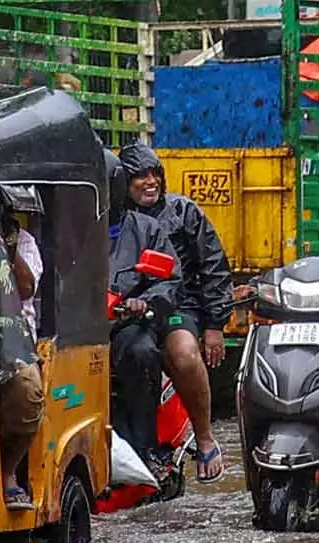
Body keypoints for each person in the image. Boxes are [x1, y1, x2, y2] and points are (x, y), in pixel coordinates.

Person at [117, 144, 231, 483]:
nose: (149, 183)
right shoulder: (113, 219)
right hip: (124, 313)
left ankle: (206, 439)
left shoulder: (184, 211)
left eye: (155, 175)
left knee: (183, 354)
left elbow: (214, 267)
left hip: (178, 308)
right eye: (140, 176)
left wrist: (214, 325)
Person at [105, 150, 182, 474]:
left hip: (128, 324)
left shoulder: (147, 229)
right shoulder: (71, 229)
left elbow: (169, 279)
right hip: (80, 327)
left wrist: (143, 302)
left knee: (141, 352)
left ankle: (145, 447)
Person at [0, 214, 46, 510]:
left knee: (27, 389)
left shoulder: (23, 240)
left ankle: (8, 471)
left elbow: (25, 288)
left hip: (14, 337)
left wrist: (4, 243)